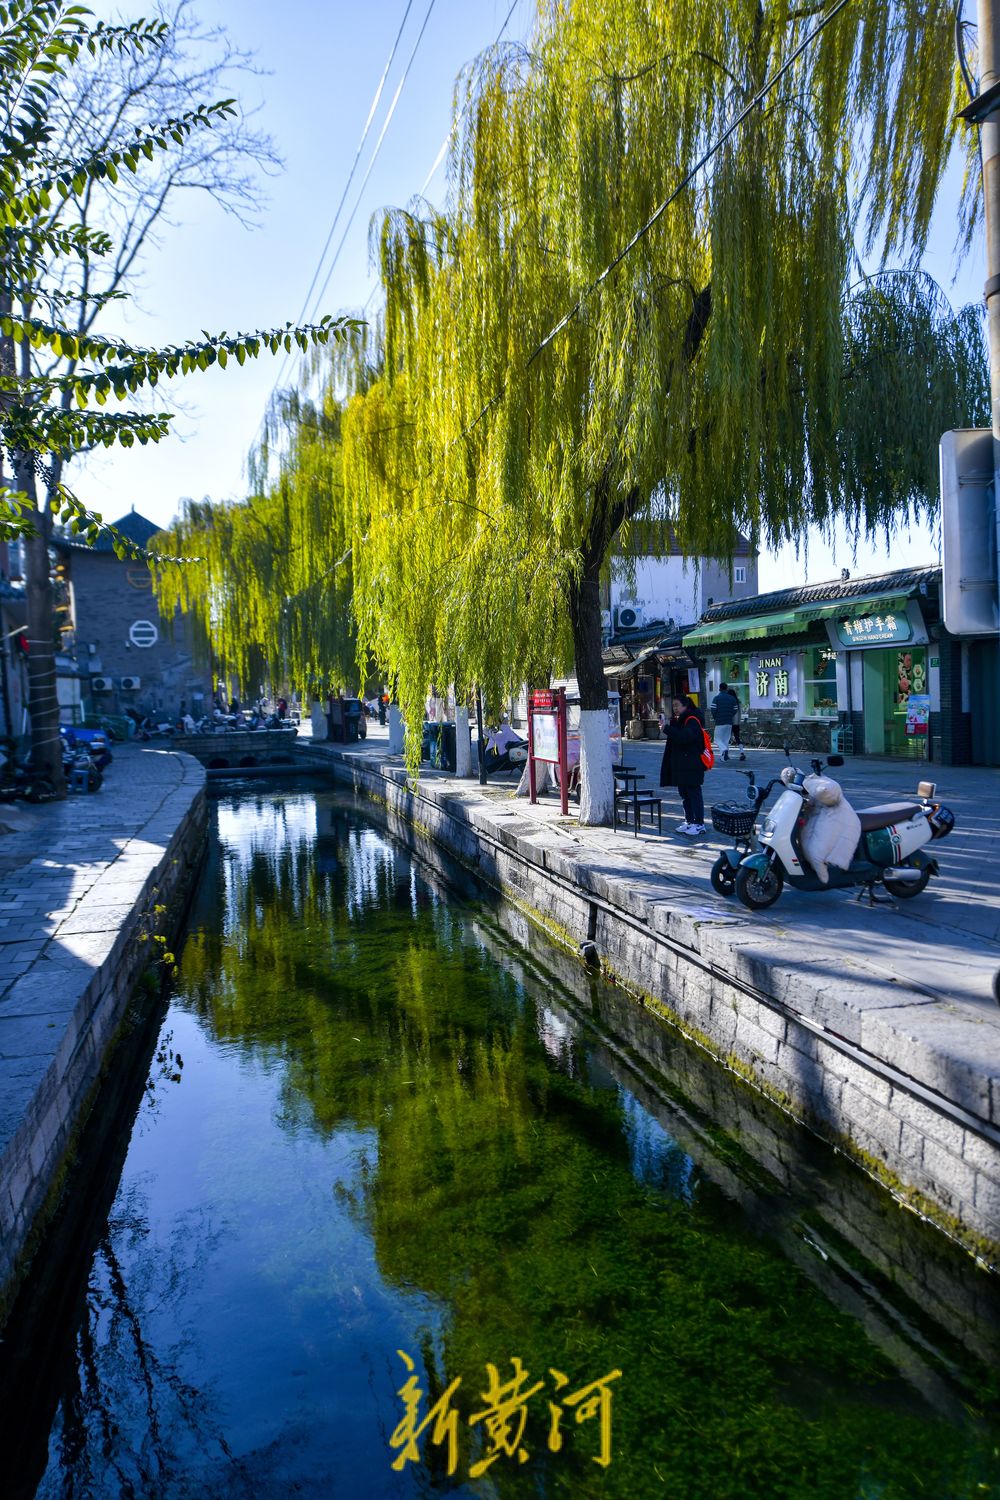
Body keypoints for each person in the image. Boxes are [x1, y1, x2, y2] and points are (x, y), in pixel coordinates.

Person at [659, 694, 708, 836]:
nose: (675, 708)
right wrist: (670, 726)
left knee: (694, 793)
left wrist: (667, 729)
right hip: (683, 766)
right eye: (673, 706)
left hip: (692, 765)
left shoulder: (692, 720)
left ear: (685, 706)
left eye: (677, 705)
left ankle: (699, 824)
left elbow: (684, 737)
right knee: (685, 795)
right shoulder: (681, 720)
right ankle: (690, 821)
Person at [710, 681, 740, 761]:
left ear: (719, 689)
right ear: (727, 689)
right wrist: (730, 715)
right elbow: (735, 709)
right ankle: (724, 757)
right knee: (725, 739)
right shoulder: (732, 698)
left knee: (717, 739)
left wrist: (715, 717)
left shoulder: (716, 698)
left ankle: (723, 750)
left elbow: (713, 710)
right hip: (729, 722)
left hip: (719, 722)